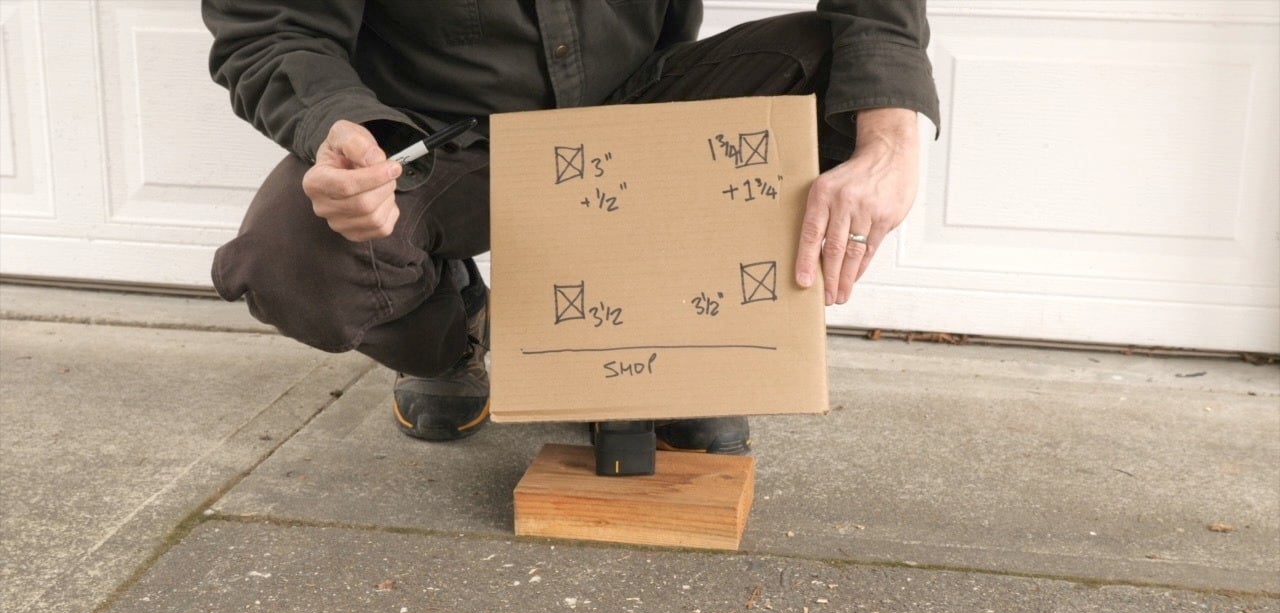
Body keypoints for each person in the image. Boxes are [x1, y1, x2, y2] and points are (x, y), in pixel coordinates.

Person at [202, 1, 939, 453]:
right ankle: (455, 328)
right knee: (288, 263)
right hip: (438, 136)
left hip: (635, 109)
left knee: (844, 66)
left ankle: (670, 343)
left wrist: (891, 141)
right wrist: (343, 128)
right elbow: (271, 27)